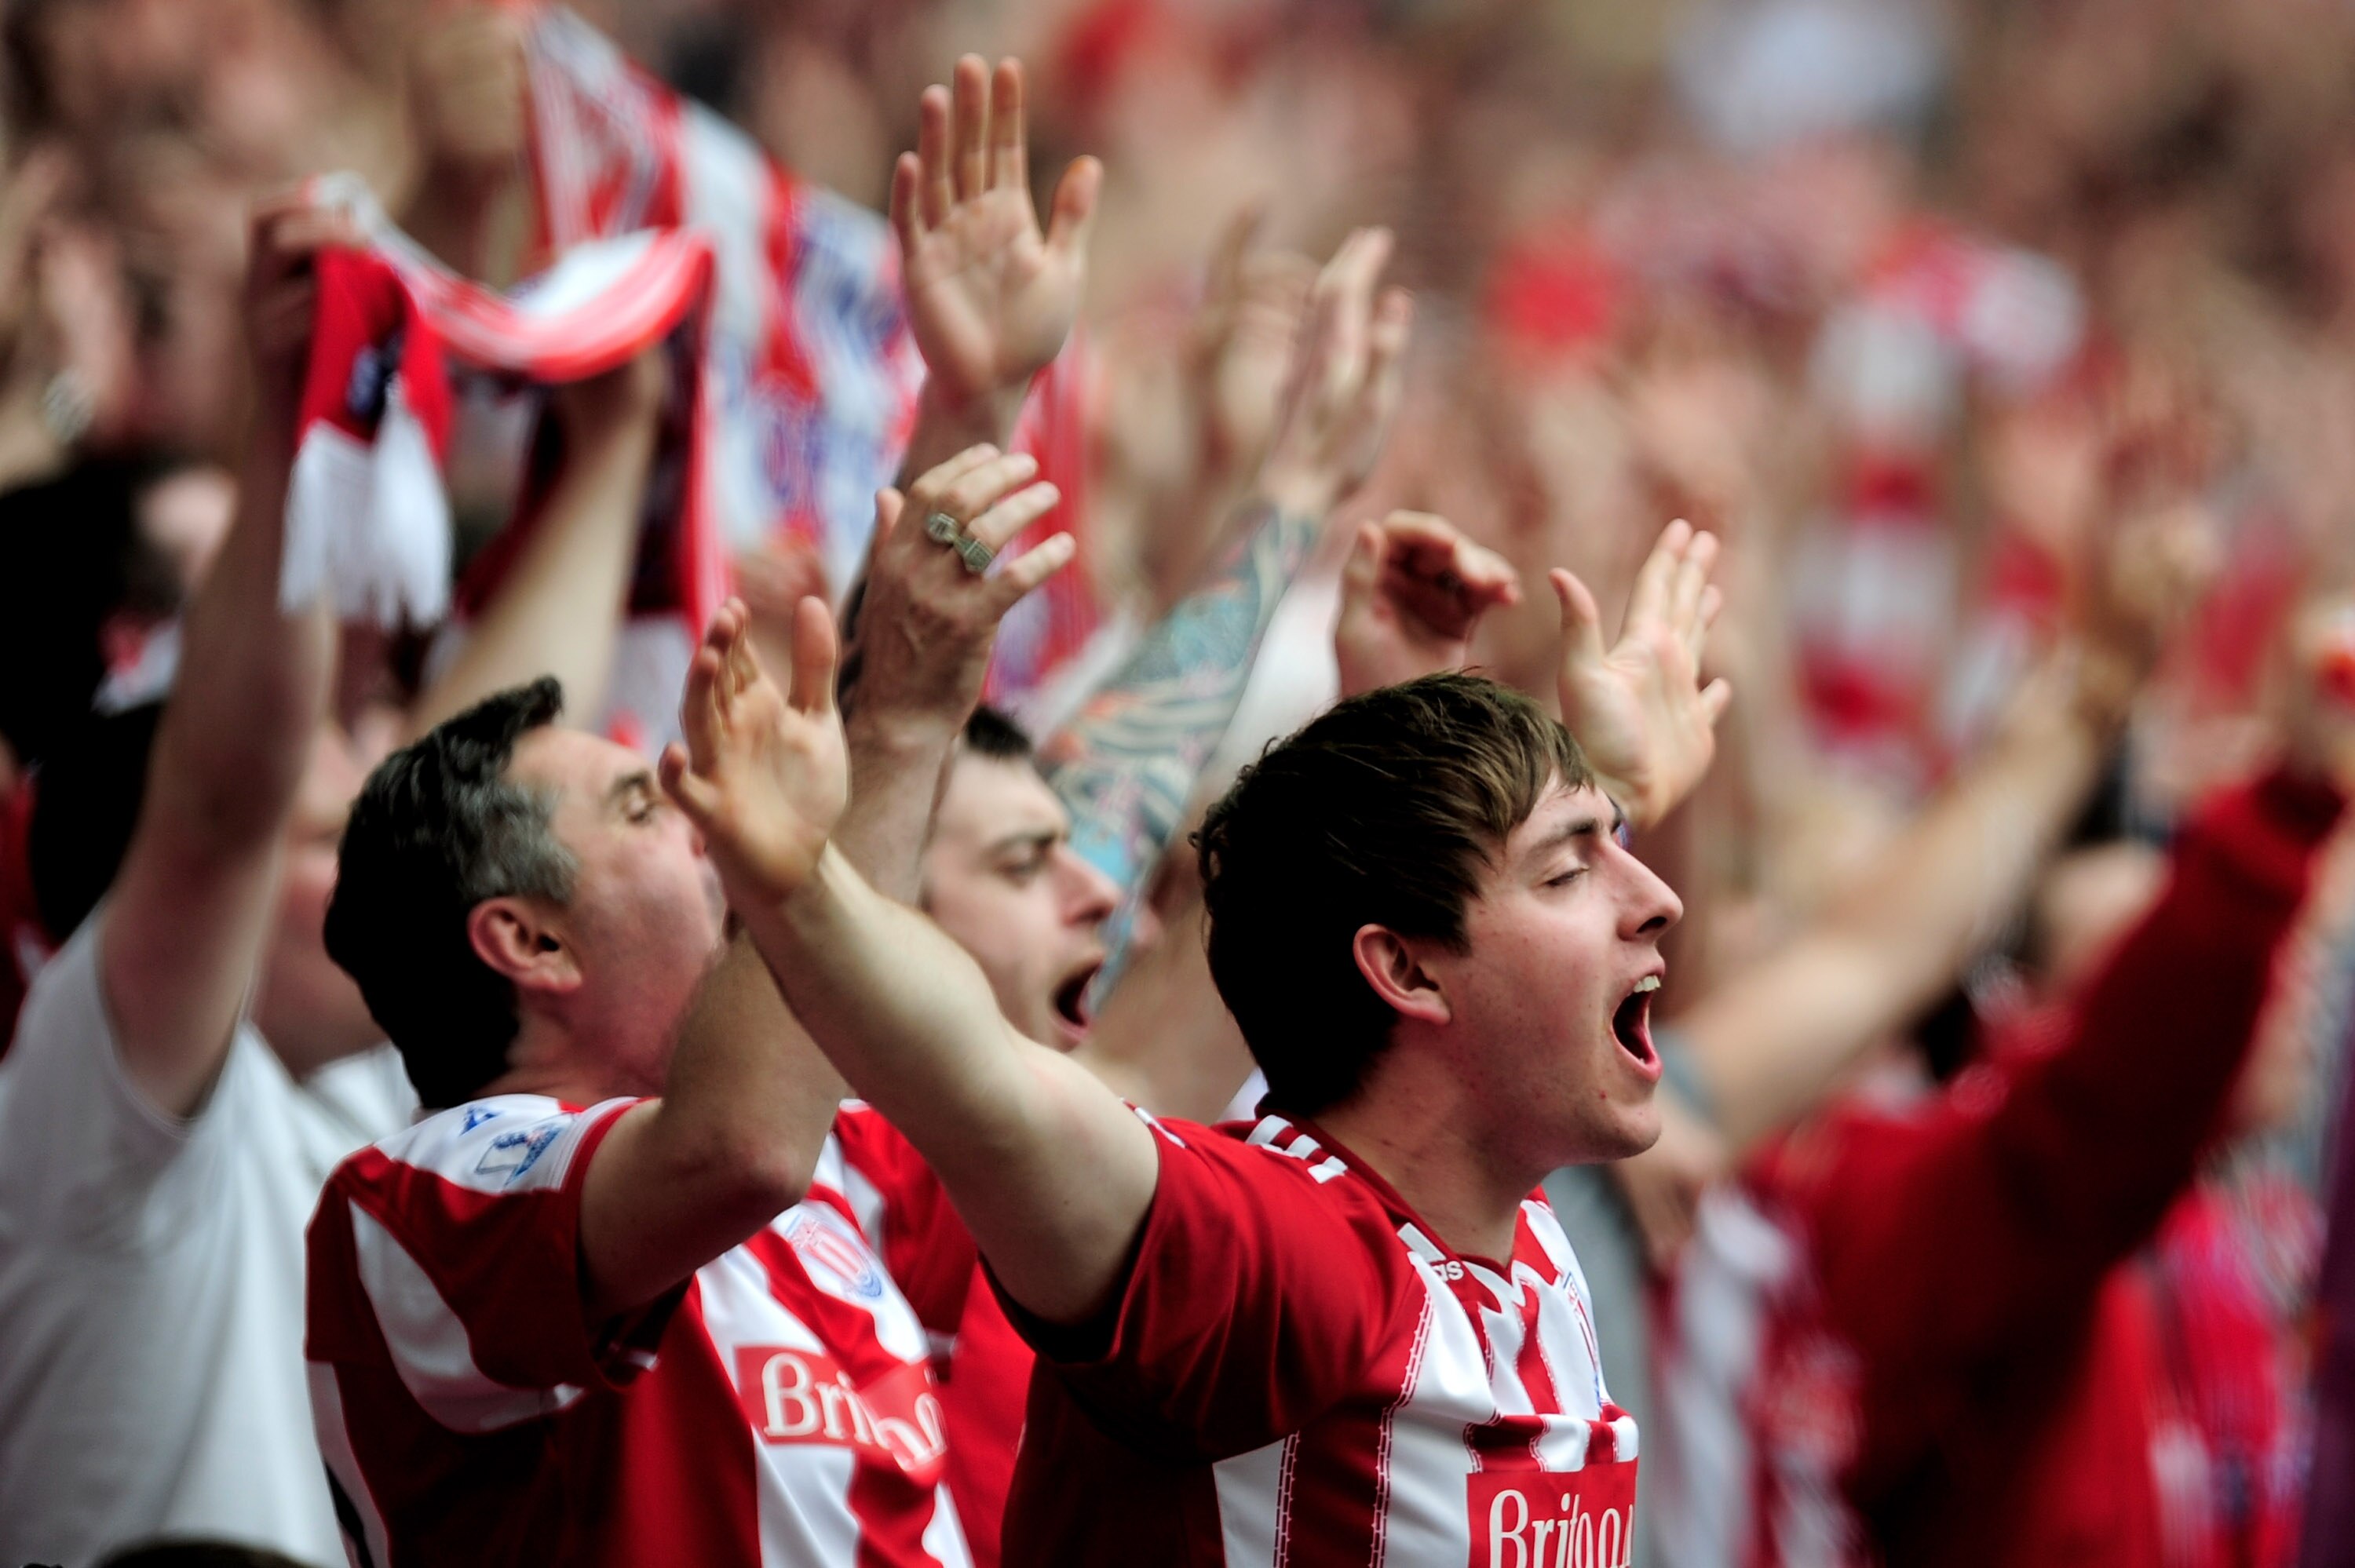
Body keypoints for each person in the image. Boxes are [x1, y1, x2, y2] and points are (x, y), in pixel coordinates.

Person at [664, 494, 1728, 1561]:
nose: (1654, 898)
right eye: (1573, 867)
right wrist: (805, 883)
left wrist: (1559, 768)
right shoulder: (1287, 1259)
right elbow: (1001, 1095)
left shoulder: (1503, 1219)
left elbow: (1471, 939)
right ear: (1404, 969)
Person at [0, 190, 672, 1567]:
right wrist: (287, 420)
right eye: (319, 848)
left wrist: (615, 441)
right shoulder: (107, 1117)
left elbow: (476, 771)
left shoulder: (375, 1081)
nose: (378, 875)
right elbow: (227, 796)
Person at [1650, 593, 2355, 1566]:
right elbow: (2098, 1105)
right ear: (2030, 1024)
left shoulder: (2238, 1219)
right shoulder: (1917, 1203)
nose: (2279, 976)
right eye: (2140, 970)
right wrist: (2272, 823)